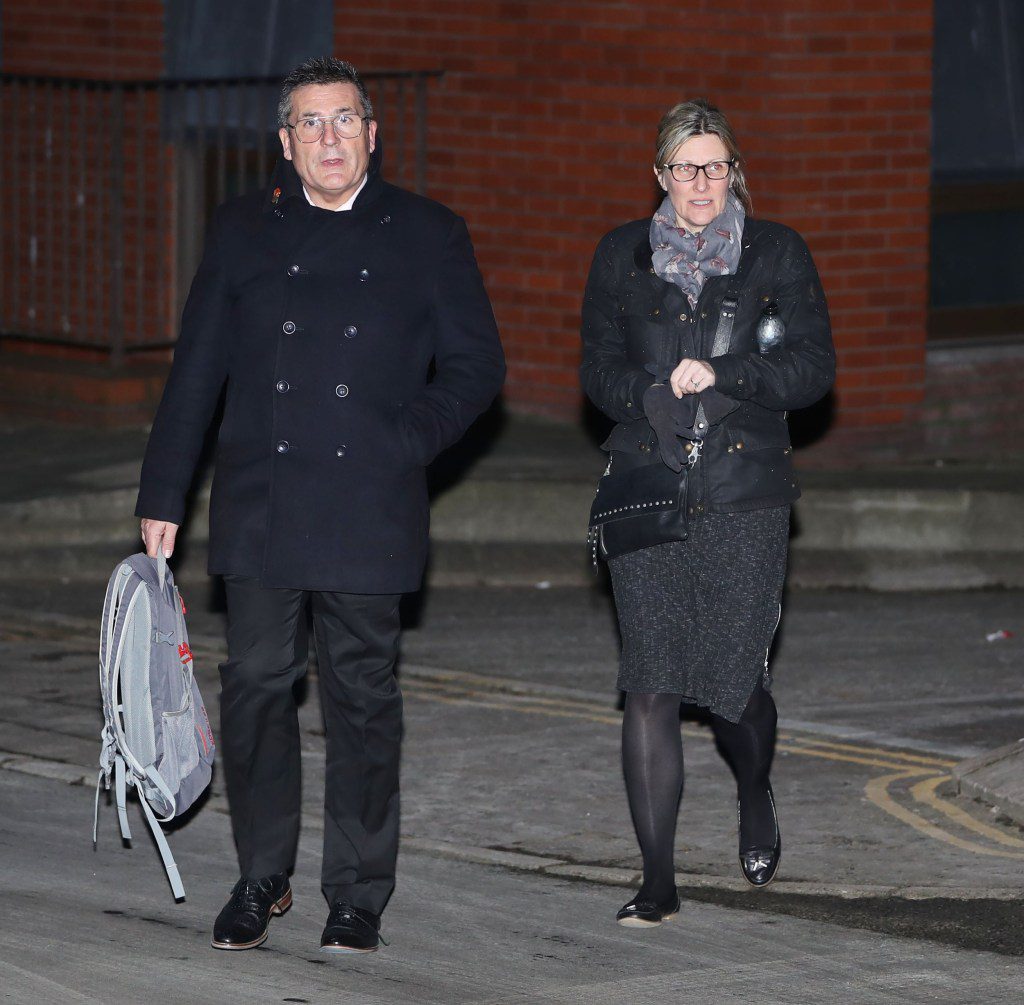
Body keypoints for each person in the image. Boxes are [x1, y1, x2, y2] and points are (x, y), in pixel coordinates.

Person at [136, 57, 504, 954]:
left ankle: (358, 889)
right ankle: (262, 874)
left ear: (373, 134)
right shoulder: (243, 232)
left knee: (362, 700)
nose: (329, 138)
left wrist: (406, 440)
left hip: (369, 504)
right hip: (264, 497)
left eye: (344, 120)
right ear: (285, 142)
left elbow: (476, 368)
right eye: (310, 123)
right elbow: (199, 372)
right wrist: (163, 492)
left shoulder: (429, 234)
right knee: (257, 686)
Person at [580, 99, 834, 927]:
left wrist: (726, 375)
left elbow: (810, 368)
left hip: (743, 494)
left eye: (715, 165)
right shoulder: (621, 256)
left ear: (735, 171)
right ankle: (658, 879)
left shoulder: (777, 253)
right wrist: (649, 394)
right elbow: (598, 372)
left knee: (730, 687)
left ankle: (753, 786)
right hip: (648, 486)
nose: (701, 182)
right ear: (660, 174)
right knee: (651, 682)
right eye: (685, 167)